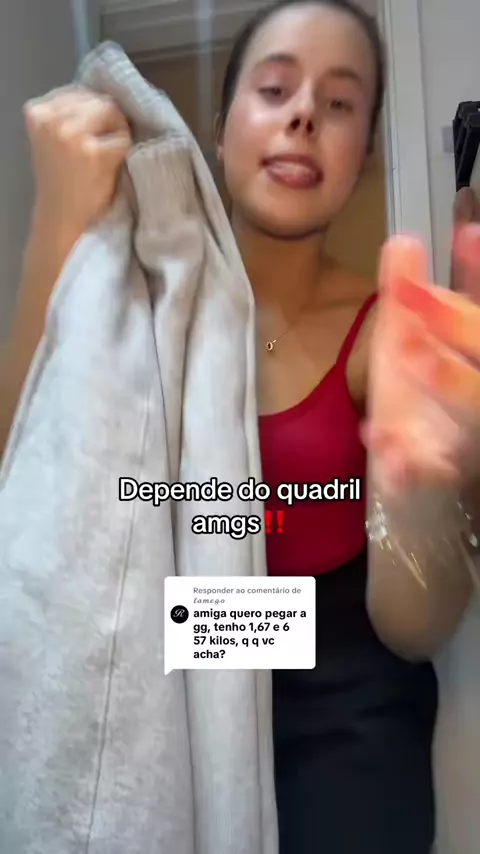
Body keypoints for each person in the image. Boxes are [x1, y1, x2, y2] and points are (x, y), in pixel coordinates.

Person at [1, 1, 480, 851]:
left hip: (344, 714)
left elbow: (414, 627)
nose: (305, 115)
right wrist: (57, 228)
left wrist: (426, 493)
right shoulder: (135, 312)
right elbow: (21, 501)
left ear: (364, 154)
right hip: (169, 687)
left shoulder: (387, 336)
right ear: (219, 135)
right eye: (275, 88)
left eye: (340, 103)